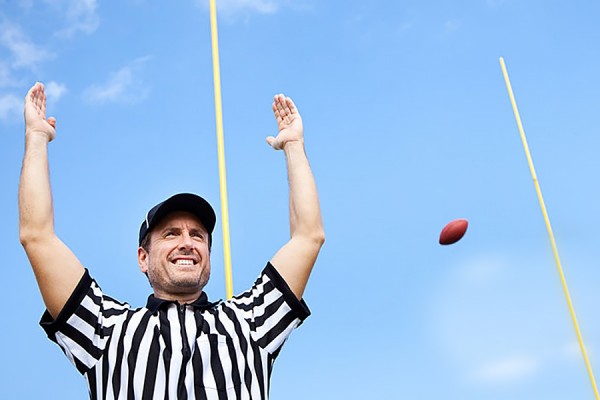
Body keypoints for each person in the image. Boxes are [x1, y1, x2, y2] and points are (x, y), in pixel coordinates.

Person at [19, 82, 325, 399]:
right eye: (170, 233)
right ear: (143, 257)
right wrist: (37, 138)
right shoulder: (106, 329)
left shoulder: (250, 322)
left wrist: (294, 147)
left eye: (198, 235)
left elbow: (308, 237)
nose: (187, 243)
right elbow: (37, 236)